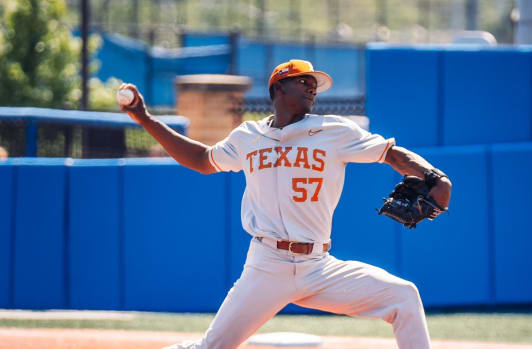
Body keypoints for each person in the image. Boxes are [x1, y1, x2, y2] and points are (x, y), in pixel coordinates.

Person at [120, 59, 451, 349]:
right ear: (278, 87)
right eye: (303, 81)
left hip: (319, 266)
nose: (312, 88)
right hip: (267, 265)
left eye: (314, 84)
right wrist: (145, 118)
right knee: (212, 346)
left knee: (404, 297)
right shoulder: (247, 136)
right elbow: (202, 159)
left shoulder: (333, 130)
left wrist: (433, 175)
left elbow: (391, 153)